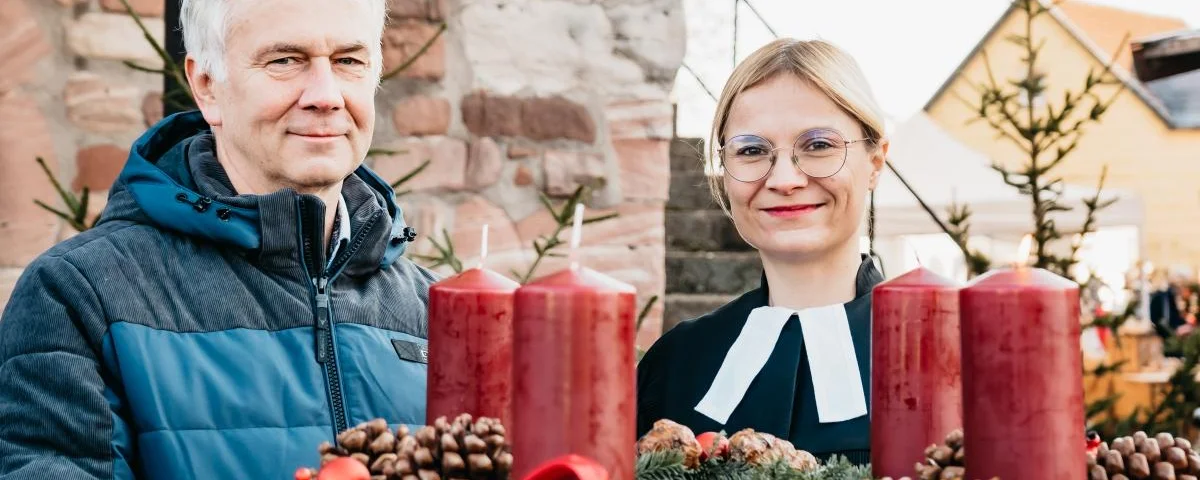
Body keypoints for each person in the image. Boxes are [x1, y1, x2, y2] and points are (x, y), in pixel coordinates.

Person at [0, 0, 438, 477]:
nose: (325, 94)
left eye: (349, 61)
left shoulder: (432, 312)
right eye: (284, 60)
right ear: (207, 85)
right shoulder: (81, 296)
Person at [637, 38, 889, 465]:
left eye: (819, 145)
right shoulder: (676, 362)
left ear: (875, 162)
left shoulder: (945, 353)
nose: (785, 179)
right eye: (752, 151)